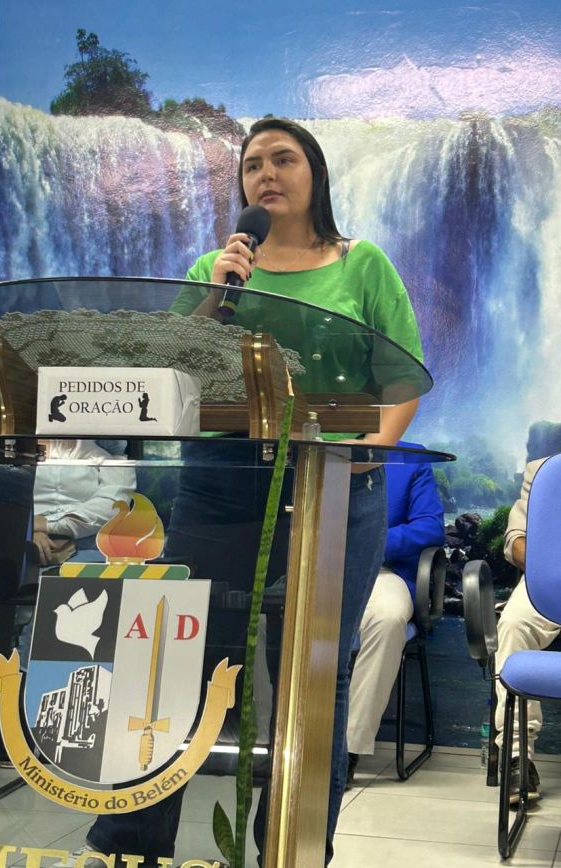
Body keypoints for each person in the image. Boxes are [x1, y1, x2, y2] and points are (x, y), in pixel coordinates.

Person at [68, 117, 424, 868]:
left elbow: (401, 382)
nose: (266, 173)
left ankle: (289, 850)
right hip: (221, 483)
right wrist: (221, 291)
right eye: (253, 163)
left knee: (314, 675)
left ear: (314, 174)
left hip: (332, 488)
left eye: (283, 159)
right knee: (176, 659)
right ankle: (130, 845)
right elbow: (169, 370)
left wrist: (365, 455)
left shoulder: (362, 265)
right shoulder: (213, 267)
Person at [345, 442, 445, 782]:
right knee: (269, 615)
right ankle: (270, 743)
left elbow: (430, 527)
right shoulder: (313, 447)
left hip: (383, 570)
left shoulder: (411, 456)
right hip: (314, 566)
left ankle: (347, 749)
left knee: (387, 619)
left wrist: (371, 542)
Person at [494, 456, 558, 804]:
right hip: (550, 580)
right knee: (514, 623)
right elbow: (515, 540)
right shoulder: (544, 470)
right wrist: (546, 565)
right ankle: (517, 757)